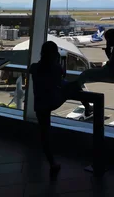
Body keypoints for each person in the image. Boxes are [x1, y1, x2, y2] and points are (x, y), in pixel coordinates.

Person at [29, 41, 83, 175]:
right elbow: (62, 76)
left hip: (40, 105)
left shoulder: (34, 67)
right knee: (75, 87)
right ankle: (87, 106)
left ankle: (52, 162)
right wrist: (59, 62)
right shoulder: (56, 68)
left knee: (44, 135)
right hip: (53, 101)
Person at [77, 28, 114, 116]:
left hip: (109, 72)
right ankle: (87, 105)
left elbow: (113, 64)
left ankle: (87, 106)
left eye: (107, 39)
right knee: (83, 76)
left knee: (83, 75)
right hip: (111, 71)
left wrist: (107, 52)